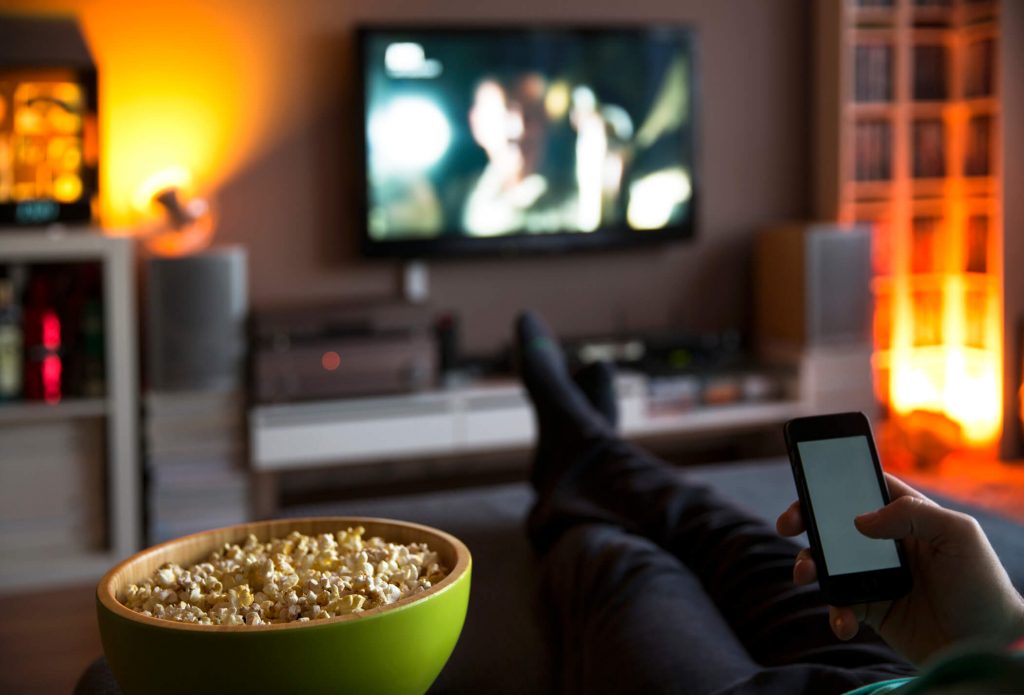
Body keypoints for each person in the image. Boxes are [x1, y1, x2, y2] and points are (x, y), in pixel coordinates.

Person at [514, 311, 1024, 695]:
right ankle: (586, 443)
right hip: (913, 676)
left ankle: (573, 459)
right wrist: (997, 633)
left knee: (622, 557)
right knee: (729, 534)